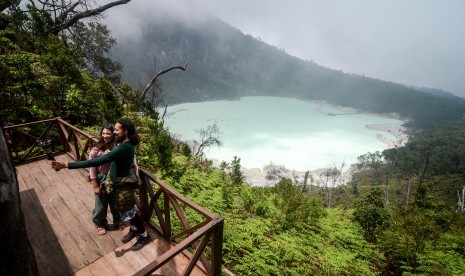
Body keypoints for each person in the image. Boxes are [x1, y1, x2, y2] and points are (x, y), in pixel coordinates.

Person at [51, 119, 151, 251]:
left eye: (116, 130)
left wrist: (66, 165)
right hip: (120, 181)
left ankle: (144, 235)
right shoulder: (127, 142)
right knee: (126, 209)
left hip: (123, 184)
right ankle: (133, 229)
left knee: (130, 212)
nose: (114, 133)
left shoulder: (124, 147)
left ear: (125, 131)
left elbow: (94, 162)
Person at [88, 123, 122, 235]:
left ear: (113, 134)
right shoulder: (96, 150)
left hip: (114, 179)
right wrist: (95, 186)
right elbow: (92, 169)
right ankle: (100, 223)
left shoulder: (117, 148)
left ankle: (118, 220)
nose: (105, 135)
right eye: (103, 133)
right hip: (101, 179)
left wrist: (112, 155)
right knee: (101, 204)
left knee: (115, 203)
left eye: (108, 133)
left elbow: (122, 163)